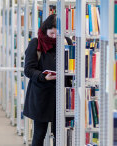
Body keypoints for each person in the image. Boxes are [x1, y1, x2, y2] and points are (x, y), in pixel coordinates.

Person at [23, 14, 72, 146]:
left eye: (57, 34)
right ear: (46, 30)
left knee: (60, 134)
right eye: (52, 33)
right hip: (41, 96)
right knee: (39, 133)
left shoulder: (66, 41)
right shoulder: (35, 43)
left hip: (62, 96)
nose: (55, 37)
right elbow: (28, 70)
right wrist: (43, 76)